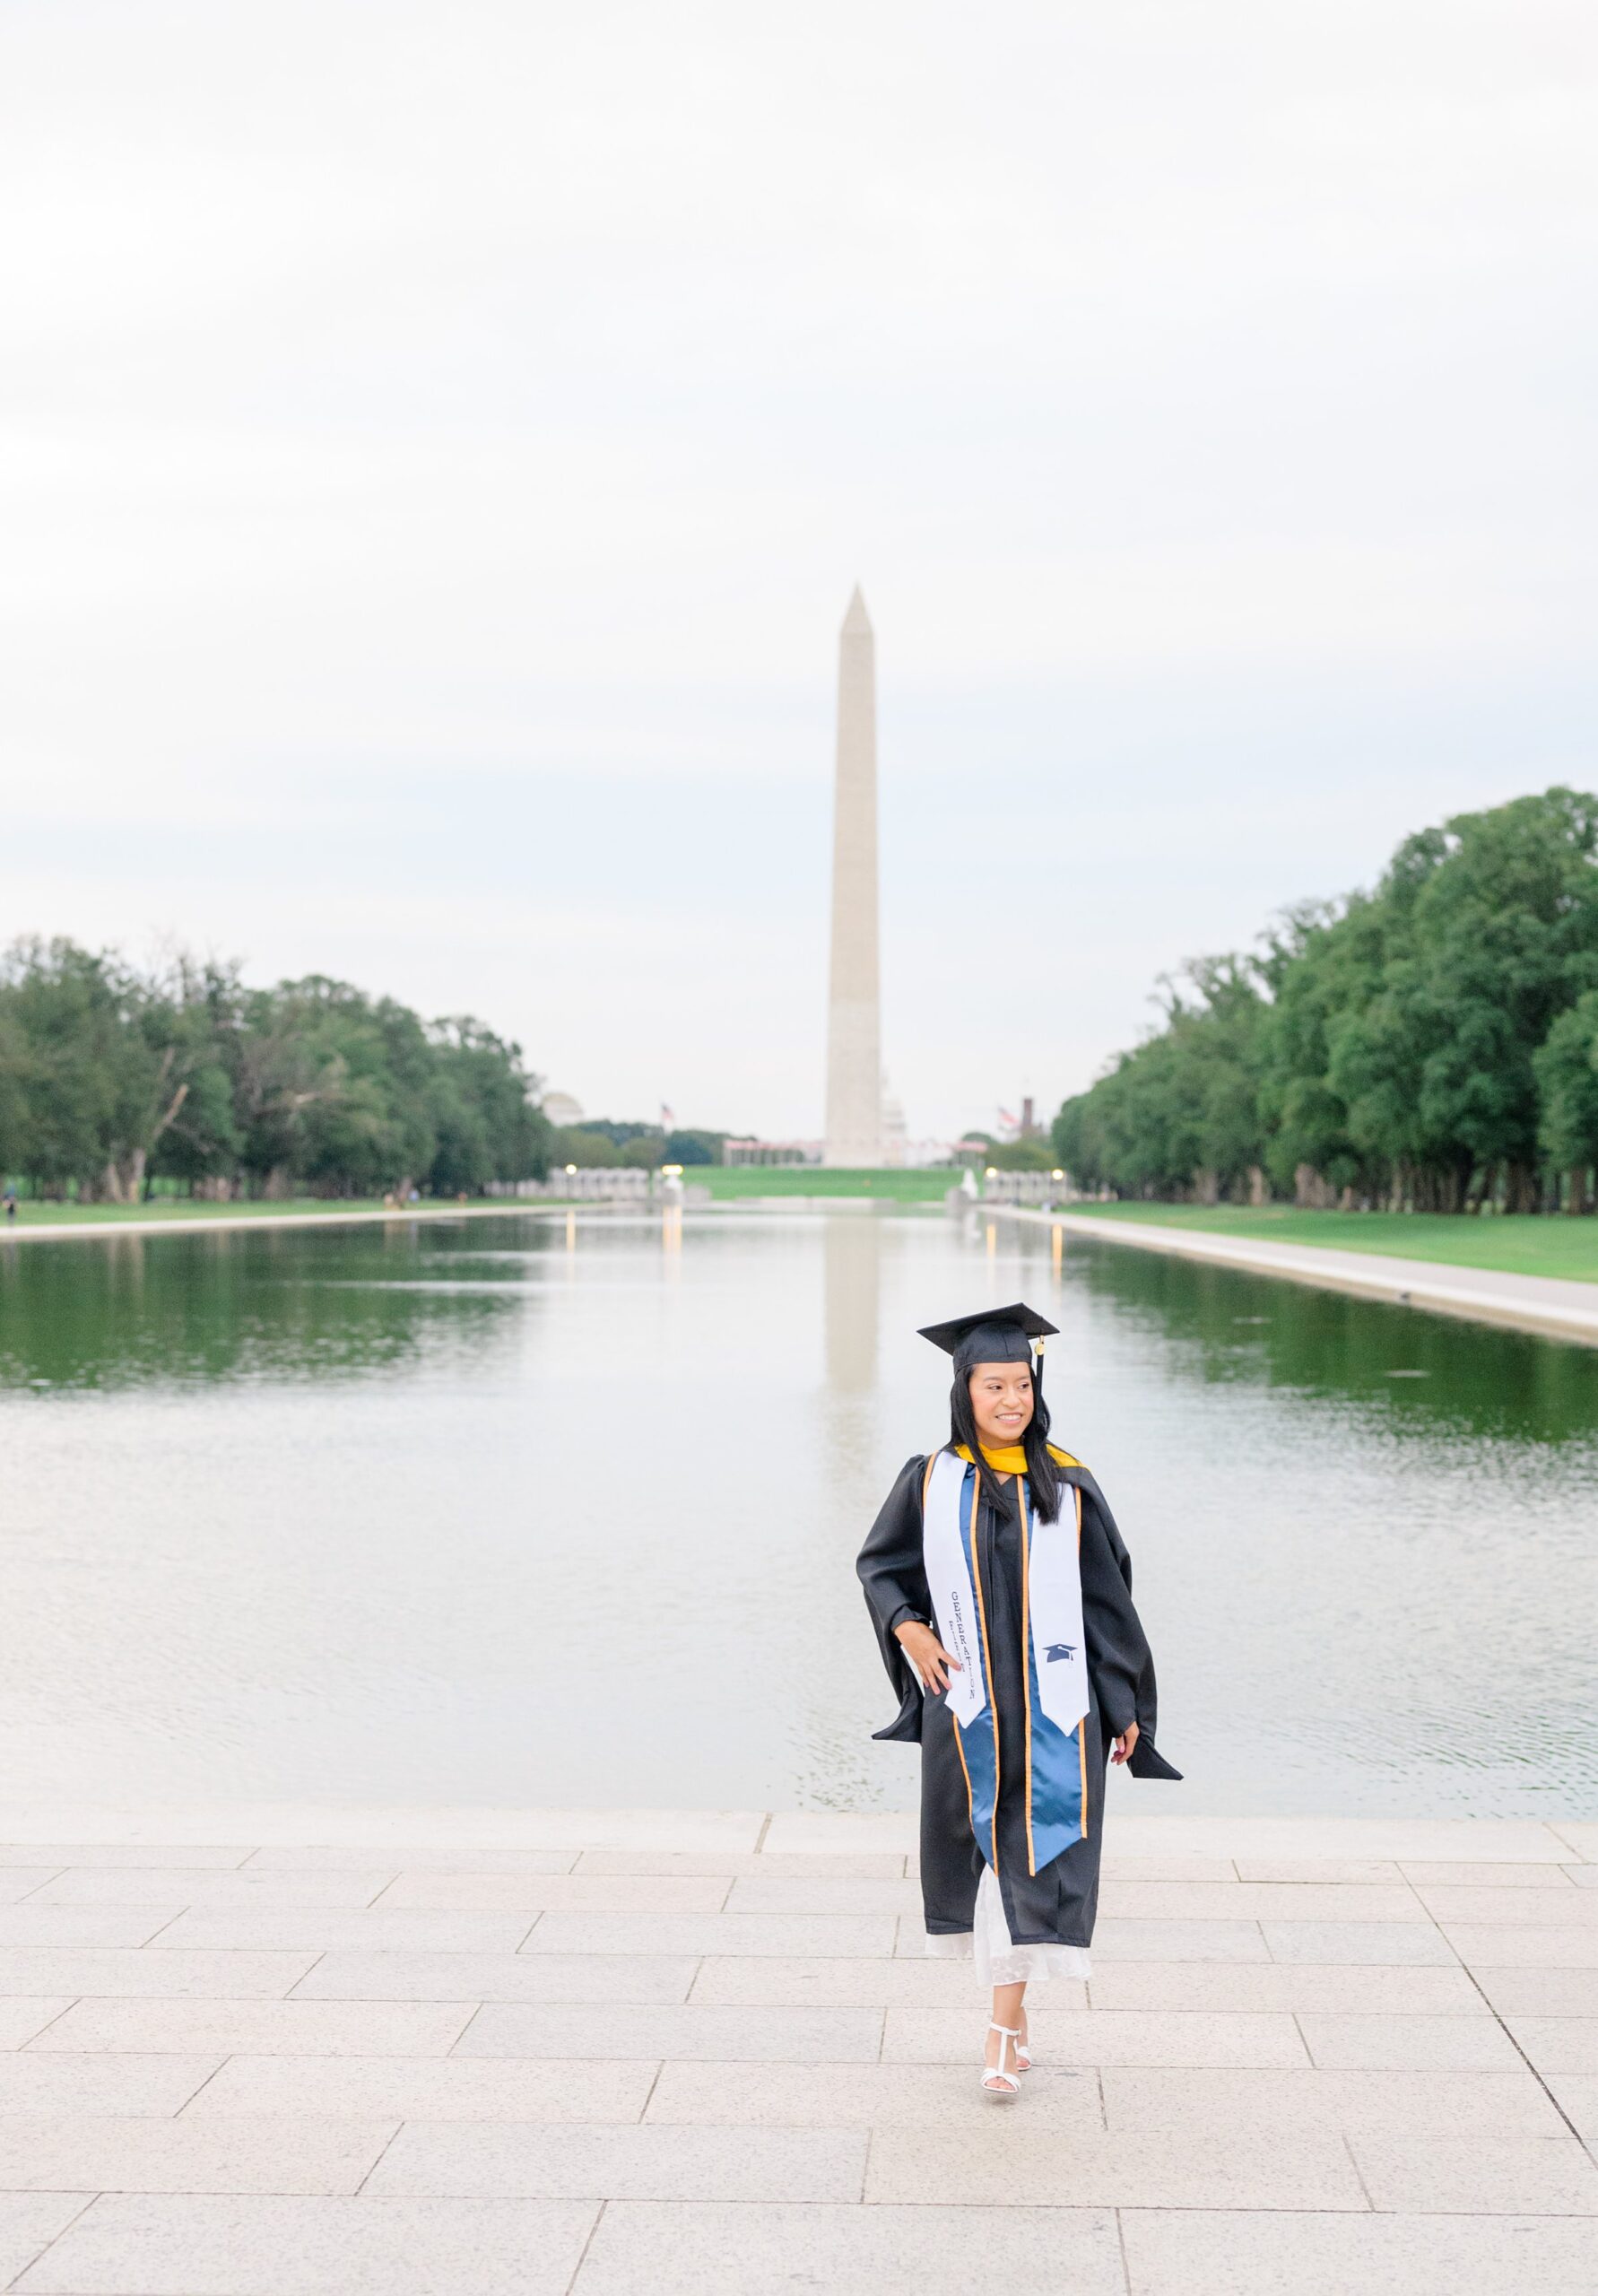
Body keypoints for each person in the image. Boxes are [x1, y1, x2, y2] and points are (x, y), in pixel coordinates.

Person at [856, 1300, 1180, 2100]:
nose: (1011, 1401)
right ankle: (1015, 2015)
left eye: (1022, 1385)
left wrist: (1126, 1702)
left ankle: (1002, 2029)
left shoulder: (1066, 1484)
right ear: (964, 1391)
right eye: (993, 1385)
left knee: (1029, 1868)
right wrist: (910, 1630)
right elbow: (880, 1567)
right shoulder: (932, 1480)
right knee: (991, 1860)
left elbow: (1110, 1605)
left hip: (1056, 1717)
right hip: (967, 1709)